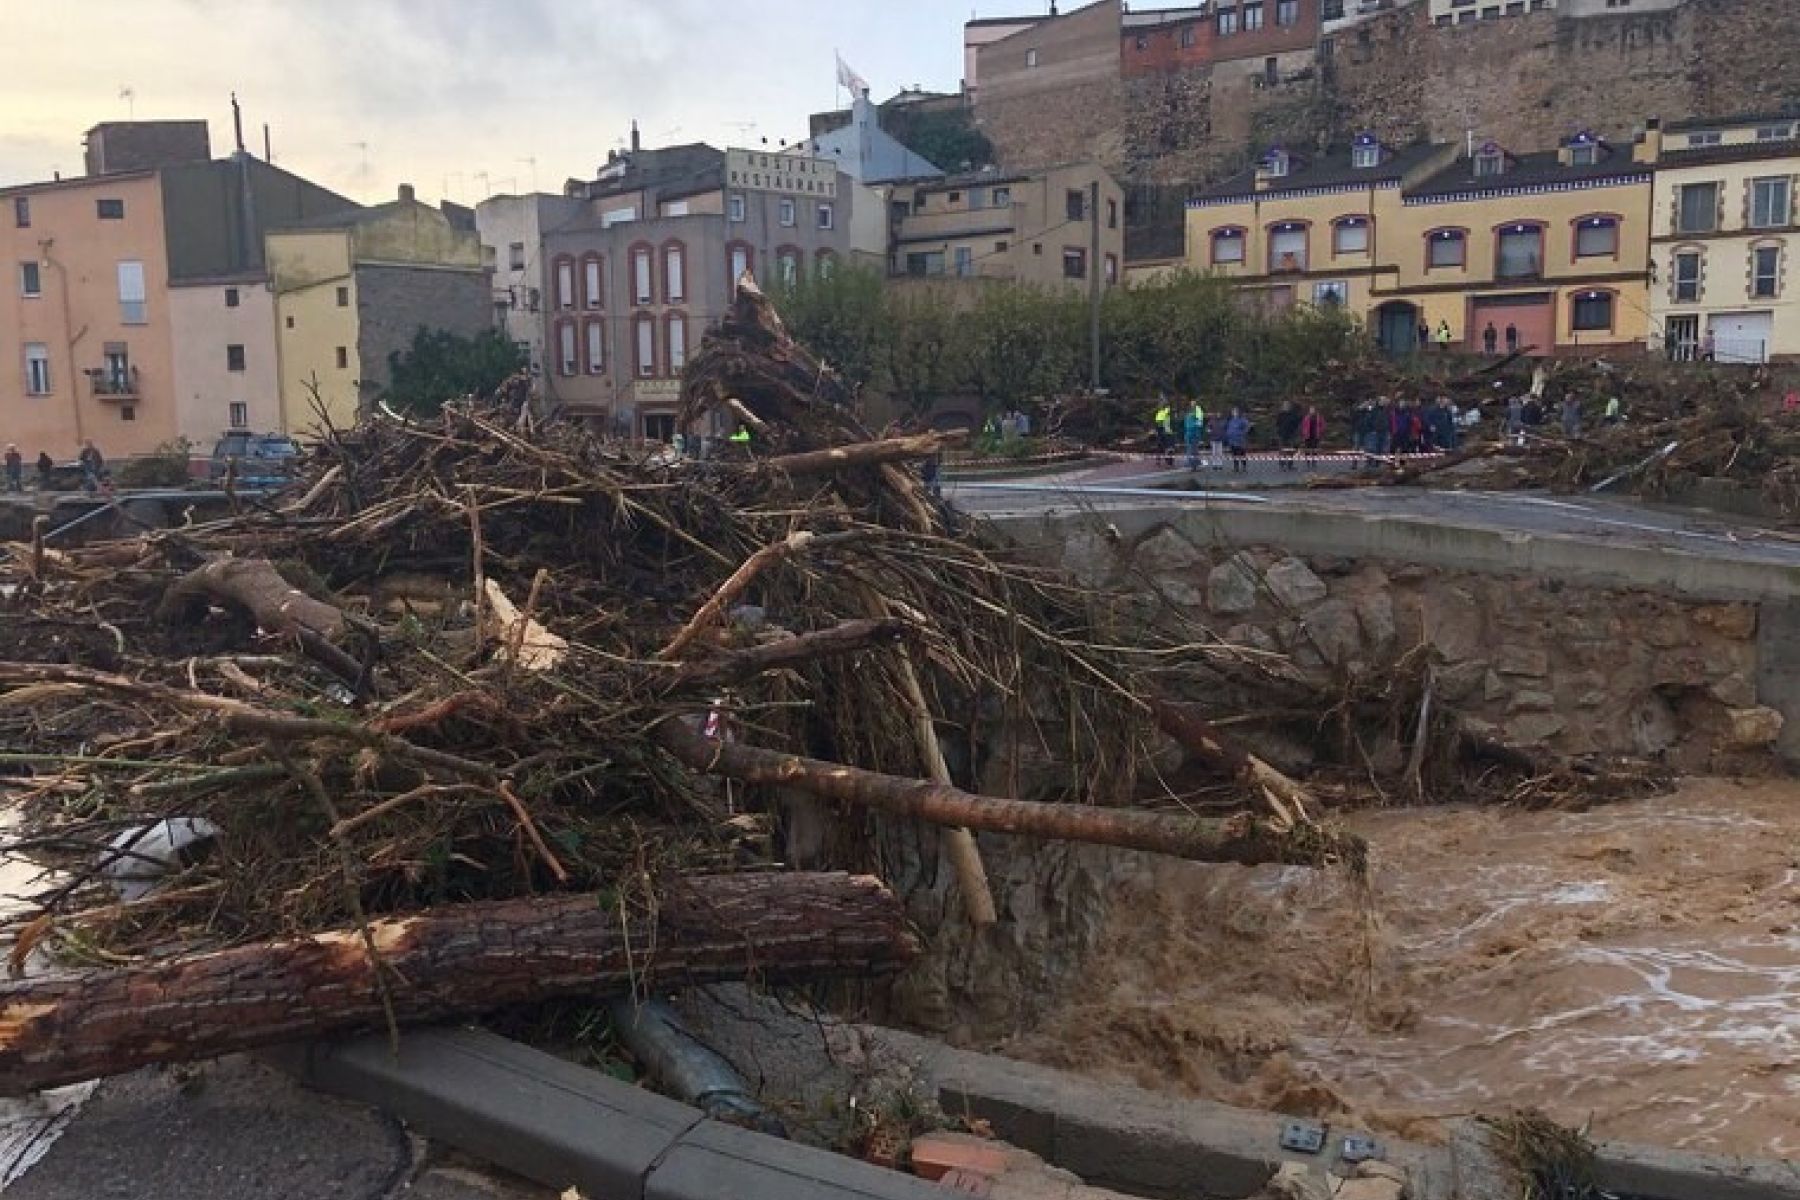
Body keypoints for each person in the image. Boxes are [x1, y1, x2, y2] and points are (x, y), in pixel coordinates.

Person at [1275, 401, 1302, 471]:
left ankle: (1290, 465)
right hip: (1282, 434)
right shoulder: (1280, 415)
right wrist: (1279, 432)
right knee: (1282, 451)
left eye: (1287, 405)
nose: (1286, 407)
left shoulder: (1293, 415)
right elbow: (1277, 424)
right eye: (1285, 405)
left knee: (1291, 451)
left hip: (1291, 435)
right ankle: (1282, 465)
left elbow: (1297, 423)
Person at [1224, 407, 1251, 473]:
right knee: (1234, 454)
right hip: (1232, 440)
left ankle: (1244, 467)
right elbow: (1227, 427)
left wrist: (1242, 433)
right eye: (1233, 411)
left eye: (1235, 411)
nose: (1234, 413)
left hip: (1240, 440)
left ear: (1238, 412)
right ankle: (1236, 467)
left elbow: (1248, 426)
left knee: (1242, 454)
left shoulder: (1242, 420)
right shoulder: (1230, 420)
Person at [1183, 401, 1205, 472]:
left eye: (1194, 404)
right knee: (1191, 450)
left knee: (1193, 450)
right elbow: (1187, 425)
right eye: (1192, 404)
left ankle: (1194, 466)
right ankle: (1192, 465)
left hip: (1192, 434)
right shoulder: (1190, 414)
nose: (1193, 405)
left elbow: (1199, 423)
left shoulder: (1194, 412)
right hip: (1190, 434)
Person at [1152, 397, 1174, 464]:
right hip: (1162, 431)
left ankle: (1168, 460)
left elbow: (1160, 421)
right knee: (1161, 446)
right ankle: (1159, 459)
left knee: (1167, 446)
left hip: (1165, 431)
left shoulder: (1166, 410)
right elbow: (1157, 422)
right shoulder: (1160, 412)